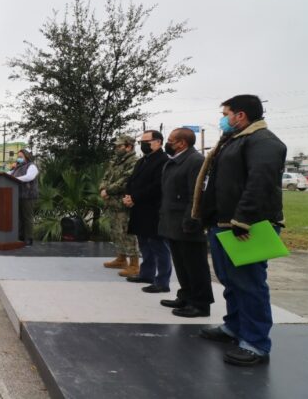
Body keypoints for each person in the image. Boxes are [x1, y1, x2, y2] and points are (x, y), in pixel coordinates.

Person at [192, 95, 286, 367]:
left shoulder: (263, 141)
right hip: (223, 224)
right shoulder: (234, 140)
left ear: (240, 115)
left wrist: (243, 219)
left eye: (226, 114)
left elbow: (261, 182)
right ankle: (234, 327)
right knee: (231, 281)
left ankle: (256, 344)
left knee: (249, 285)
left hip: (246, 226)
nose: (223, 119)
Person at [158, 128, 214, 318]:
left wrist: (192, 219)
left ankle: (200, 304)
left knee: (195, 265)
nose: (168, 143)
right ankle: (186, 296)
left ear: (182, 143)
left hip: (187, 222)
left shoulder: (195, 161)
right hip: (173, 221)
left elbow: (196, 194)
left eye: (171, 140)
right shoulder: (174, 161)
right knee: (181, 264)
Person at [123, 130, 171, 293]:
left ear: (158, 142)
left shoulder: (163, 161)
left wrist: (135, 197)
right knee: (144, 243)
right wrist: (128, 195)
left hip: (154, 209)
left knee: (158, 245)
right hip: (139, 208)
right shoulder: (142, 160)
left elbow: (157, 186)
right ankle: (146, 274)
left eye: (146, 142)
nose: (143, 145)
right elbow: (131, 180)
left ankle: (162, 281)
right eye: (141, 142)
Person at [101, 135, 140, 274]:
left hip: (124, 203)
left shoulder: (134, 161)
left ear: (129, 146)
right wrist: (103, 188)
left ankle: (134, 264)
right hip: (112, 203)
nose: (116, 148)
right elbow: (105, 177)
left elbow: (126, 180)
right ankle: (121, 259)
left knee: (126, 232)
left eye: (119, 146)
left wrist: (108, 190)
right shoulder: (115, 161)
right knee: (116, 231)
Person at [9, 149, 39, 246]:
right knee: (19, 217)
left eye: (21, 157)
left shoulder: (32, 166)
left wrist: (14, 179)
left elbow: (29, 177)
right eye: (18, 157)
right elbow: (8, 174)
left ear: (26, 157)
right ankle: (20, 236)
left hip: (28, 195)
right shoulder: (17, 167)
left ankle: (28, 238)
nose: (19, 158)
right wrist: (11, 170)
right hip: (18, 195)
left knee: (27, 217)